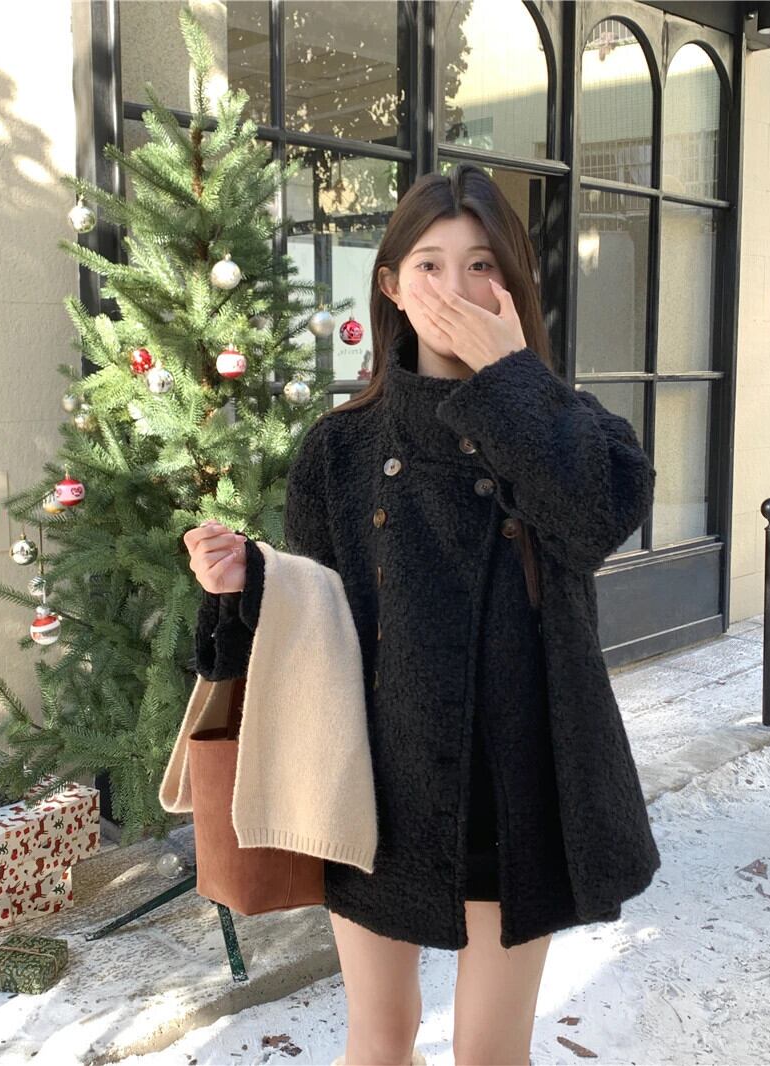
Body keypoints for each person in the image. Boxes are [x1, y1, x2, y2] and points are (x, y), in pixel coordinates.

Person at [182, 163, 660, 1066]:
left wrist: (509, 377)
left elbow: (594, 520)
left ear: (513, 286)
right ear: (392, 286)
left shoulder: (575, 427)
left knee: (489, 1051)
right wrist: (246, 584)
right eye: (429, 265)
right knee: (380, 1034)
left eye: (481, 265)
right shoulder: (339, 449)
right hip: (377, 786)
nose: (454, 289)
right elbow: (314, 634)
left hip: (520, 786)